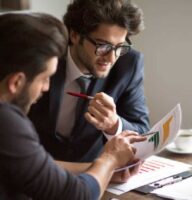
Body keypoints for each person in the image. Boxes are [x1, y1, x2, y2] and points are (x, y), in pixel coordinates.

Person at [0, 12, 146, 200]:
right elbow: (79, 196)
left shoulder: (129, 65)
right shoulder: (7, 121)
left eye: (119, 47)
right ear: (16, 82)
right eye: (45, 79)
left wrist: (103, 168)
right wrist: (109, 159)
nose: (46, 86)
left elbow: (31, 163)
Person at [28, 0, 150, 162]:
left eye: (119, 46)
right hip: (35, 168)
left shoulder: (128, 64)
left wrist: (114, 125)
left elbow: (142, 132)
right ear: (75, 35)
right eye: (103, 45)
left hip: (94, 171)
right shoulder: (46, 55)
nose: (111, 57)